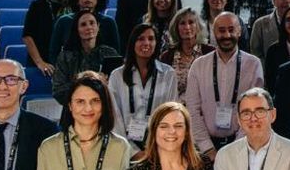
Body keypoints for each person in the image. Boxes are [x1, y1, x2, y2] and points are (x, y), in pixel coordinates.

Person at [183, 12, 266, 157]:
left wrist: (235, 148)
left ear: (239, 31)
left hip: (241, 147)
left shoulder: (253, 65)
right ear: (214, 33)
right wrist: (207, 148)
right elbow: (192, 110)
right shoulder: (199, 65)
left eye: (231, 29)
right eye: (221, 30)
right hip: (203, 149)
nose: (227, 35)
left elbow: (254, 110)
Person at [109, 23, 178, 147]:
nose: (146, 43)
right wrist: (131, 151)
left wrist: (155, 148)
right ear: (132, 43)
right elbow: (114, 116)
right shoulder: (117, 75)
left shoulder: (168, 74)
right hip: (124, 145)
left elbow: (170, 113)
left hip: (159, 145)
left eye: (151, 39)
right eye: (141, 39)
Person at [52, 8, 121, 103]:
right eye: (83, 25)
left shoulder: (110, 53)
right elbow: (58, 91)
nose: (89, 27)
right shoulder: (65, 57)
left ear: (98, 26)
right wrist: (87, 81)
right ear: (77, 30)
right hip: (74, 109)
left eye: (92, 23)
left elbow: (120, 88)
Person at [24, 0, 74, 73]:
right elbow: (27, 36)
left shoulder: (75, 5)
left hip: (69, 63)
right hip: (42, 62)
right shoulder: (37, 5)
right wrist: (40, 62)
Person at [161, 8, 212, 97]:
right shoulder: (166, 57)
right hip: (176, 108)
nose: (187, 27)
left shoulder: (210, 52)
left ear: (198, 26)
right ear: (176, 28)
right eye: (182, 23)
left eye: (191, 22)